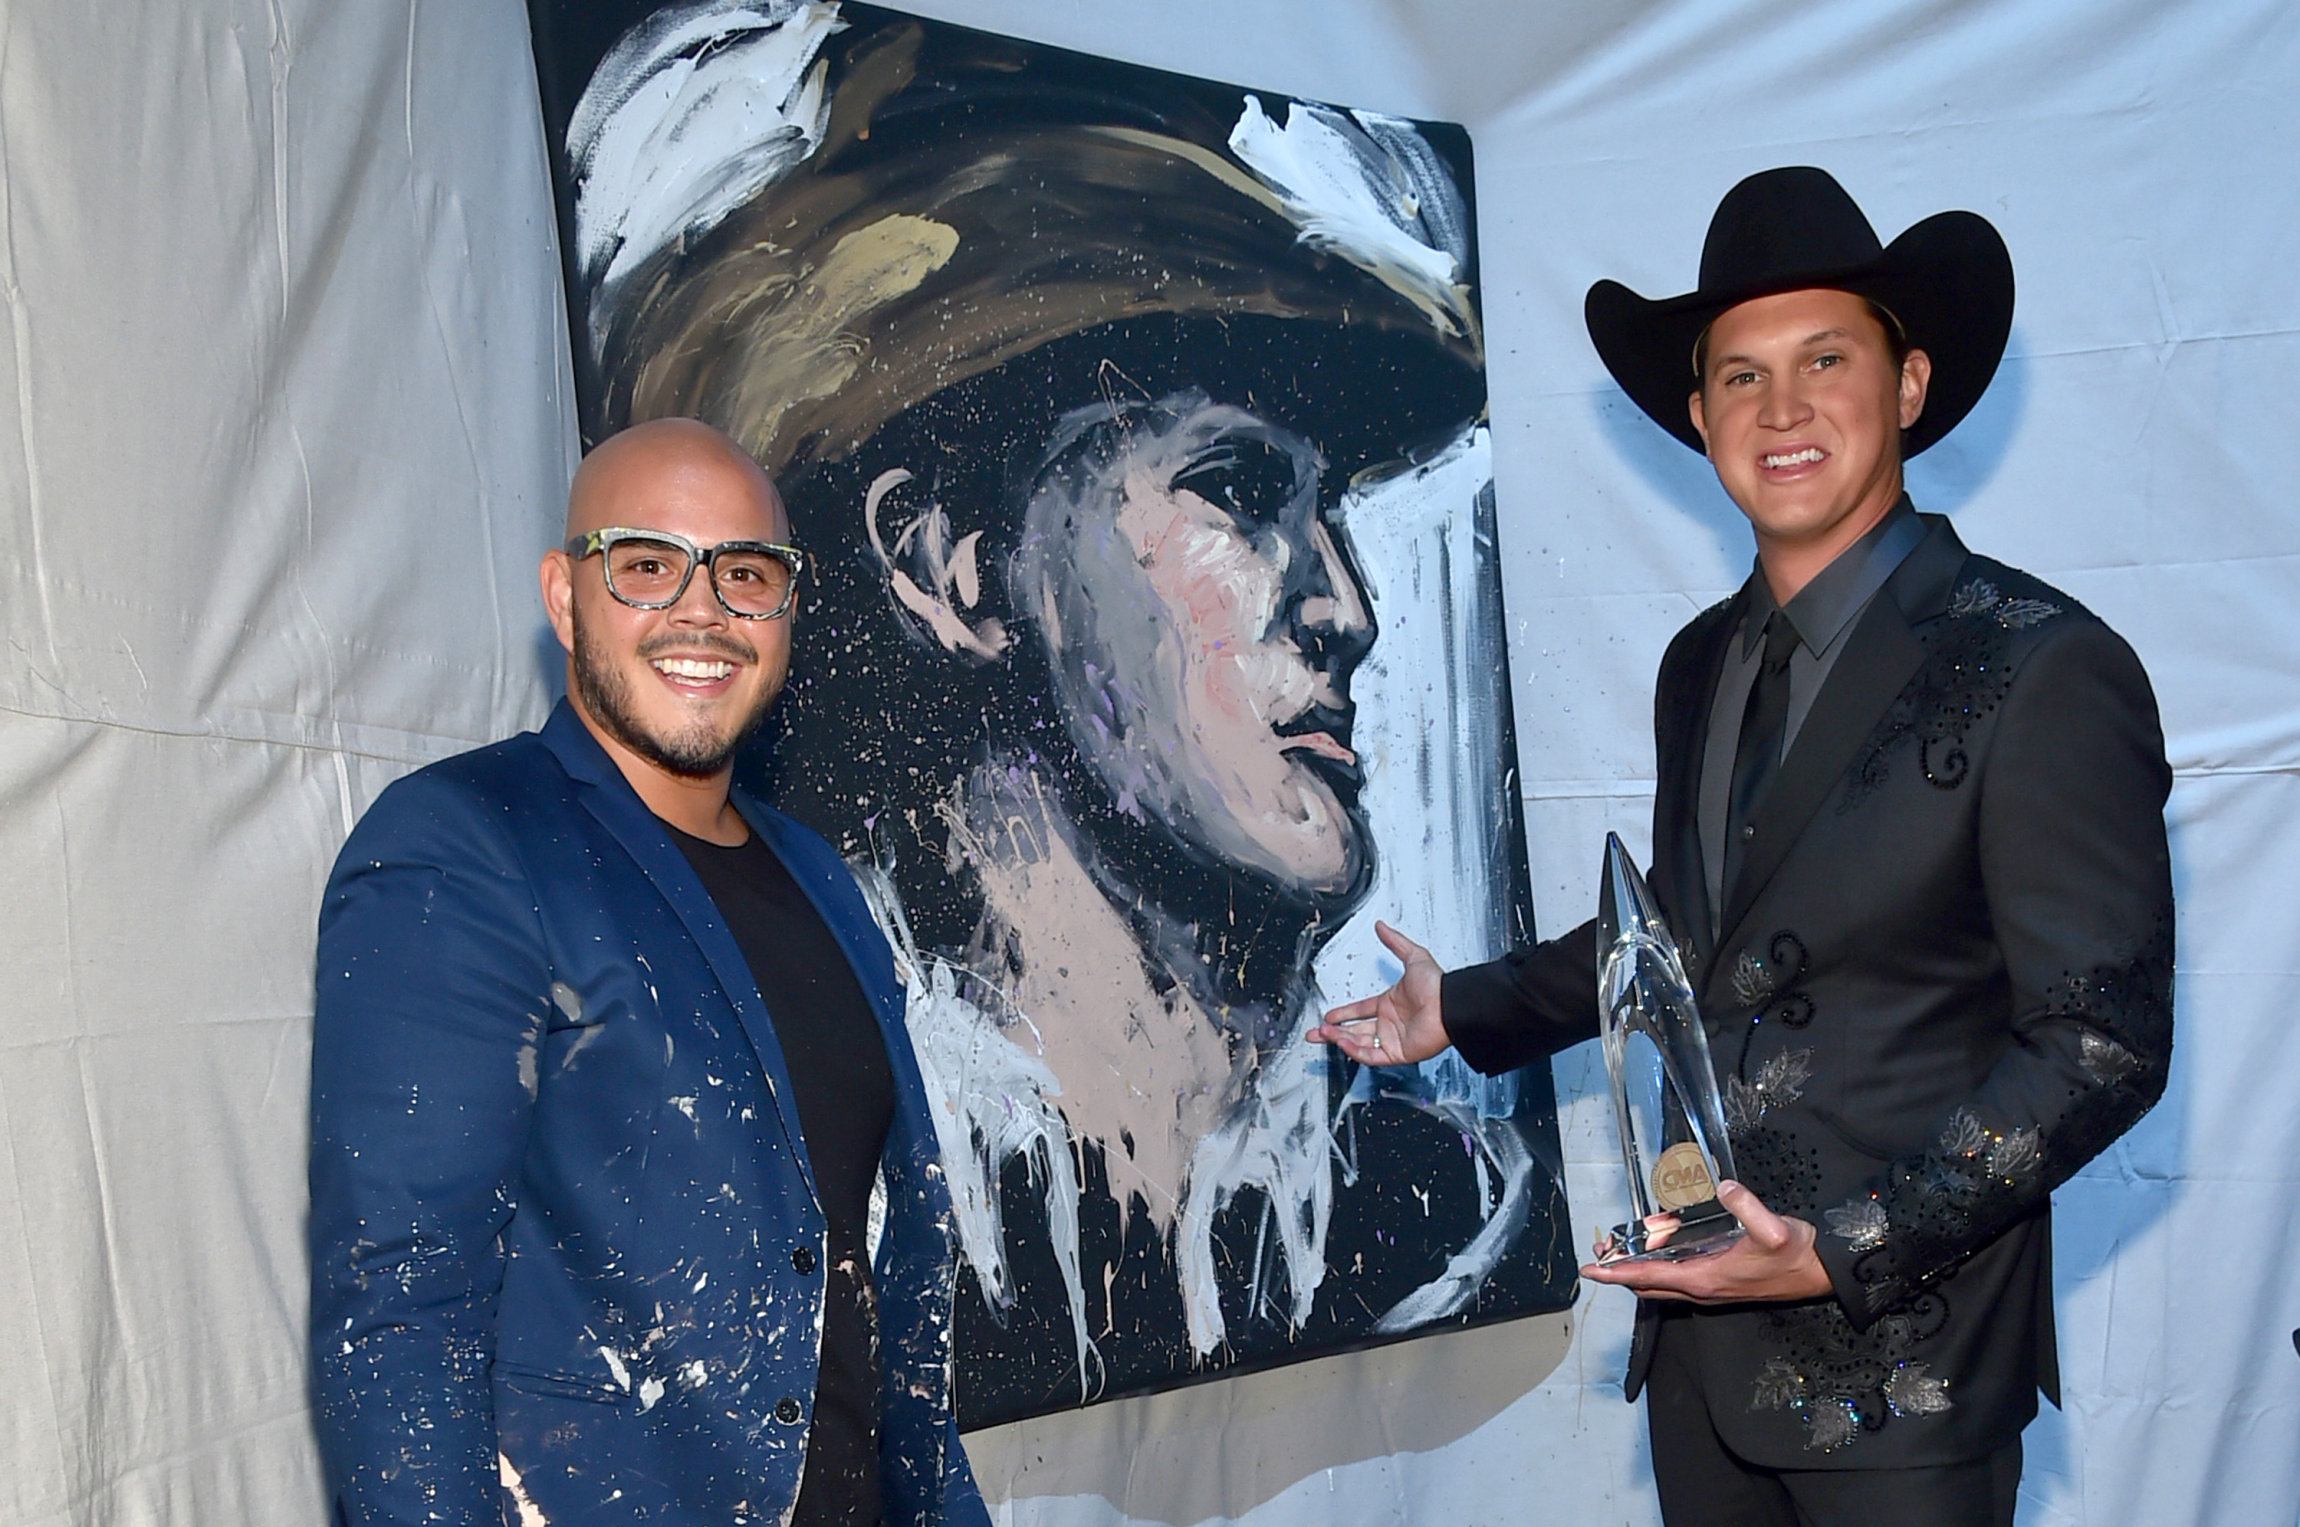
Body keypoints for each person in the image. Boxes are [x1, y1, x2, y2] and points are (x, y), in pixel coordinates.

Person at [550, 0, 1574, 1428]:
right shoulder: (801, 1209)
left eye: (1329, 504)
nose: (1346, 600)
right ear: (955, 566)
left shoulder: (1449, 1211)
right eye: (1239, 490)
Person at [1313, 166, 2175, 1525]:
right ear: (1701, 416)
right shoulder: (1700, 663)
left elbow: (2100, 1039)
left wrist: (1840, 1252)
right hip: (1703, 1354)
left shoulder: (2041, 663)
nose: (1782, 408)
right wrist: (1461, 1006)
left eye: (1824, 359)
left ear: (1907, 387)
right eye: (1740, 375)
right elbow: (1695, 936)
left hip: (1903, 1376)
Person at [308, 418, 990, 1527]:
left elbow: (870, 1284)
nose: (702, 611)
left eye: (745, 574)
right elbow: (400, 1311)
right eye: (644, 565)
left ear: (786, 611)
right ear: (564, 595)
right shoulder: (463, 844)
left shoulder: (817, 874)